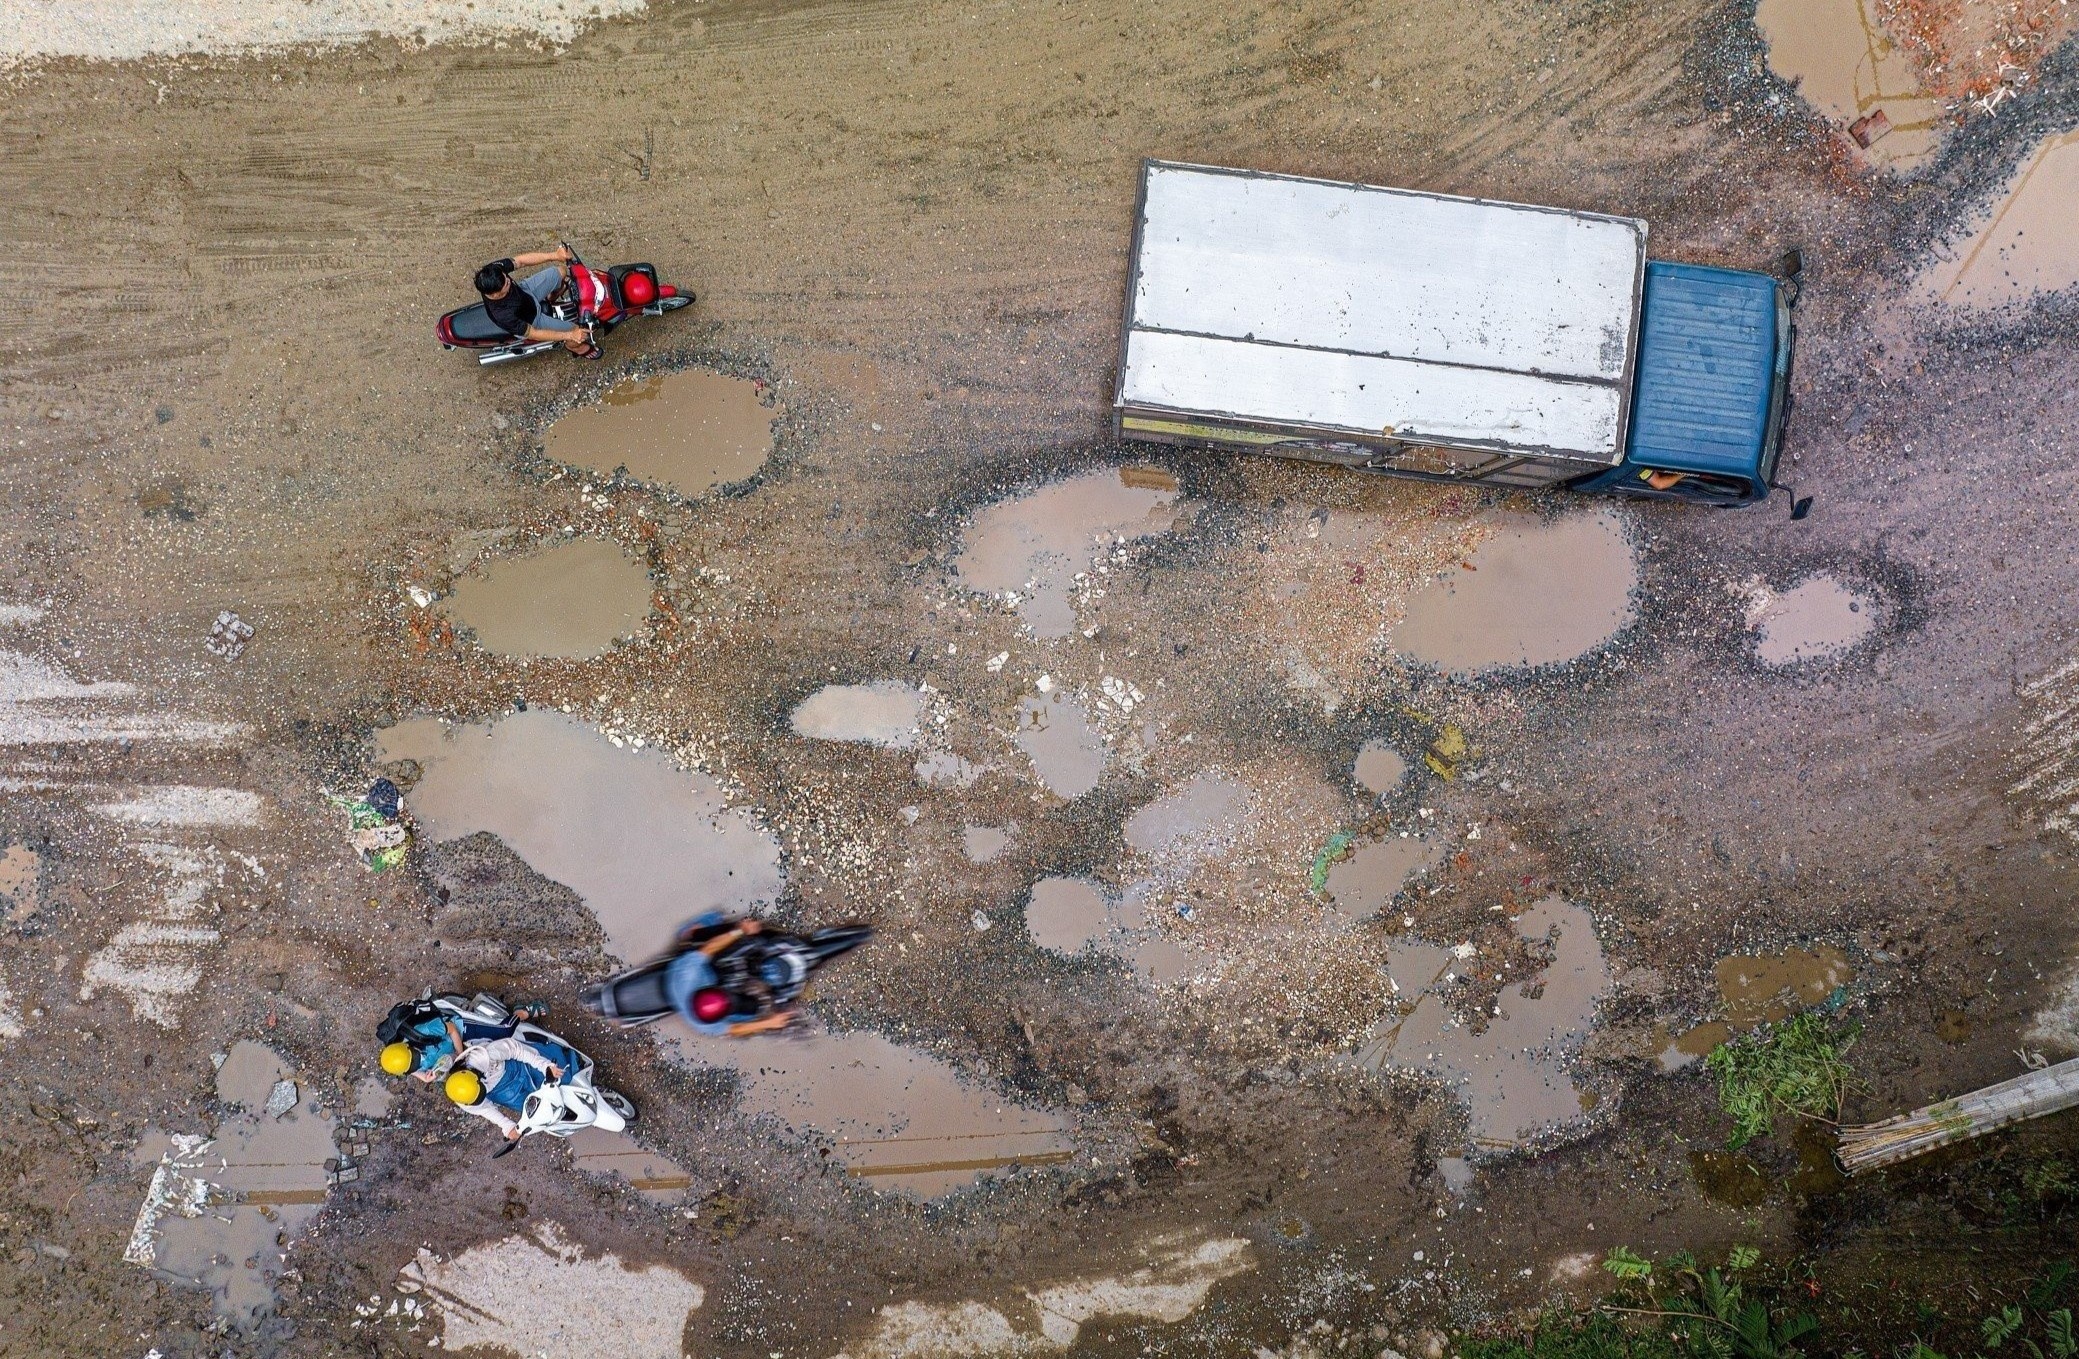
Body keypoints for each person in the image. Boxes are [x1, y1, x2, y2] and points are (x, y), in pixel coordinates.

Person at [665, 913, 800, 1037]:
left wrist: (741, 930)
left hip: (689, 969)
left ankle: (689, 934)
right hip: (696, 979)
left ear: (707, 989)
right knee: (752, 1013)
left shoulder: (688, 973)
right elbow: (735, 1028)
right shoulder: (705, 1026)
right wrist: (769, 1023)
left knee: (709, 929)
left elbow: (710, 947)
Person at [444, 1034, 579, 1141]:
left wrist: (545, 1066)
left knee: (563, 1077)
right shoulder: (464, 1097)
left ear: (475, 1076)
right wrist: (507, 1127)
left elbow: (517, 1050)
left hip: (516, 1068)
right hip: (503, 1093)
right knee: (538, 1113)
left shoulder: (487, 1055)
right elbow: (485, 1109)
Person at [474, 247, 599, 359]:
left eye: (507, 277)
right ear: (495, 294)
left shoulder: (493, 271)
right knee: (578, 330)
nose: (509, 281)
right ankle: (574, 347)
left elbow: (520, 261)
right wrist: (571, 335)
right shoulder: (503, 314)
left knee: (561, 272)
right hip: (532, 319)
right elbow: (534, 333)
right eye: (506, 284)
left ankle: (551, 298)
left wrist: (555, 255)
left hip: (526, 292)